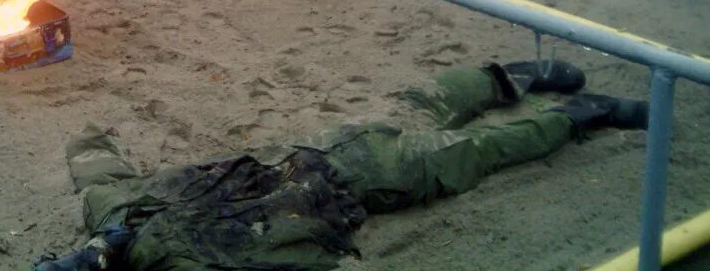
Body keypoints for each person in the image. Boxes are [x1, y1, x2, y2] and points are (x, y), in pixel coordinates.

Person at [34, 59, 647, 271]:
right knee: (427, 109)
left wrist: (92, 157)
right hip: (324, 150)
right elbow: (91, 157)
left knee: (468, 147)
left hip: (356, 168)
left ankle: (574, 110)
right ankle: (547, 91)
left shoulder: (147, 237)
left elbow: (92, 161)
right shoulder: (120, 217)